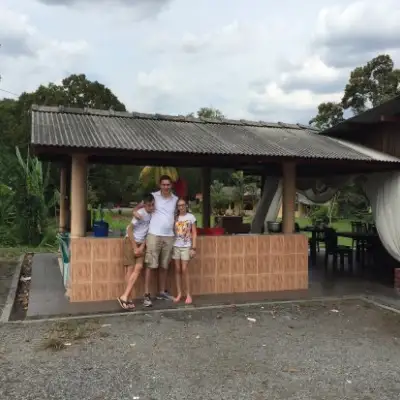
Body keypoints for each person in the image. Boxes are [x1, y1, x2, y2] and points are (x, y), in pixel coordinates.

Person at [133, 175, 178, 307]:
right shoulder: (153, 196)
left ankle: (162, 291)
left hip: (169, 236)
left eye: (168, 185)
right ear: (160, 185)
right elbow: (139, 207)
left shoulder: (175, 199)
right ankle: (147, 294)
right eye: (163, 184)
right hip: (154, 235)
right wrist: (134, 211)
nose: (166, 187)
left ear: (171, 185)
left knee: (164, 265)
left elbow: (176, 215)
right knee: (151, 265)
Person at [117, 193, 155, 310]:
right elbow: (129, 230)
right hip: (131, 241)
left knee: (138, 268)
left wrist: (142, 246)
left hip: (141, 243)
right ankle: (127, 298)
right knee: (130, 269)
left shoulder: (153, 215)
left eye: (153, 205)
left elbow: (148, 233)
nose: (151, 207)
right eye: (148, 205)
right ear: (144, 205)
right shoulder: (141, 214)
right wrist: (134, 247)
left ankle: (124, 296)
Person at [172, 198, 197, 304]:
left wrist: (193, 247)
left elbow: (194, 232)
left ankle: (188, 294)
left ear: (186, 205)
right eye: (179, 205)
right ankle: (179, 293)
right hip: (176, 245)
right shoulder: (175, 217)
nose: (181, 207)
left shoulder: (191, 217)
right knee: (177, 269)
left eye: (182, 205)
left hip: (186, 246)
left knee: (184, 269)